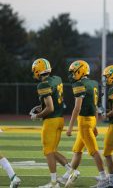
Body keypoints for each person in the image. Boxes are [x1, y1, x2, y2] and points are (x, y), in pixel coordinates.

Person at [64, 60, 107, 188]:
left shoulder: (79, 84)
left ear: (80, 71)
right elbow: (96, 106)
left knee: (94, 151)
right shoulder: (93, 83)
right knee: (77, 150)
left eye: (73, 72)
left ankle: (104, 178)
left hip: (84, 121)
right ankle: (68, 174)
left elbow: (77, 108)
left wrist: (70, 128)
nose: (72, 75)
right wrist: (95, 124)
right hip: (91, 120)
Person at [31, 58, 72, 188]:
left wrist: (37, 115)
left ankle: (54, 183)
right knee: (53, 150)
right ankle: (72, 170)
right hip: (60, 120)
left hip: (51, 121)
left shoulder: (43, 85)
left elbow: (50, 108)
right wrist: (41, 106)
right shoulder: (57, 79)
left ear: (38, 71)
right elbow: (52, 101)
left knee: (48, 151)